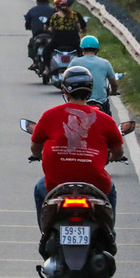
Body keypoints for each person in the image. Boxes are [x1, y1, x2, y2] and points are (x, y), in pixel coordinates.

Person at [30, 66, 124, 235]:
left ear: (65, 90)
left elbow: (35, 146)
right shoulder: (105, 120)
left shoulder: (49, 116)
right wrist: (112, 156)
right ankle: (110, 233)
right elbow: (119, 152)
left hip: (55, 186)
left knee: (39, 188)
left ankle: (45, 232)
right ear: (90, 90)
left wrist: (37, 155)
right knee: (111, 190)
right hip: (97, 186)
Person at [70, 35, 120, 114]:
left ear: (82, 48)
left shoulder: (75, 62)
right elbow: (113, 83)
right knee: (108, 123)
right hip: (101, 103)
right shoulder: (105, 63)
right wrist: (113, 92)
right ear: (97, 49)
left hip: (80, 102)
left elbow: (67, 79)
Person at [39, 0, 85, 77]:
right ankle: (83, 69)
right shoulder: (74, 14)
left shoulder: (55, 16)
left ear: (56, 5)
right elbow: (79, 28)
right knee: (81, 53)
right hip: (73, 41)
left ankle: (47, 68)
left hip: (58, 41)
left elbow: (49, 28)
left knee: (46, 51)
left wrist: (51, 30)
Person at [23, 0, 55, 70]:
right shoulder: (53, 10)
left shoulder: (32, 10)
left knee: (31, 45)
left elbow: (27, 23)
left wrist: (29, 27)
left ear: (37, 0)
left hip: (37, 35)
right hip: (50, 35)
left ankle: (34, 62)